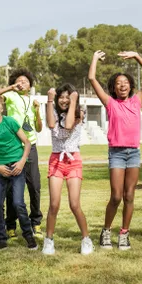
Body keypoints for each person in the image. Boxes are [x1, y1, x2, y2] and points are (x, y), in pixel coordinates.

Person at [89, 50, 142, 250]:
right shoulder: (110, 103)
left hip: (134, 152)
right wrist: (94, 59)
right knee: (116, 196)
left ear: (130, 86)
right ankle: (106, 231)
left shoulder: (137, 101)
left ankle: (124, 233)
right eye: (118, 83)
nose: (122, 85)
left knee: (129, 196)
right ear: (114, 88)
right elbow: (92, 78)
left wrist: (137, 56)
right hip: (117, 153)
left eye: (125, 82)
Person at [0, 93, 38, 251]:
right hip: (1, 170)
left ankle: (28, 236)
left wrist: (21, 162)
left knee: (18, 203)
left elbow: (26, 143)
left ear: (2, 107)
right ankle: (1, 239)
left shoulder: (10, 122)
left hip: (18, 167)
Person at [42, 84, 94, 255]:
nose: (64, 100)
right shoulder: (52, 110)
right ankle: (48, 240)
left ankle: (86, 239)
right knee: (54, 204)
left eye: (67, 96)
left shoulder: (79, 112)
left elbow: (69, 125)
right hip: (56, 159)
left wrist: (73, 102)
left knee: (74, 204)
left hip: (73, 160)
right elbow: (51, 124)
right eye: (61, 97)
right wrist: (49, 99)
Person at [0, 68, 43, 238]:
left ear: (30, 84)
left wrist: (37, 110)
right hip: (14, 147)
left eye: (25, 81)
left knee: (34, 185)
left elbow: (39, 128)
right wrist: (11, 87)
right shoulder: (11, 96)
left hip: (31, 146)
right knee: (12, 188)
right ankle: (11, 224)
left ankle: (36, 222)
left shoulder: (33, 101)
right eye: (19, 81)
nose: (22, 83)